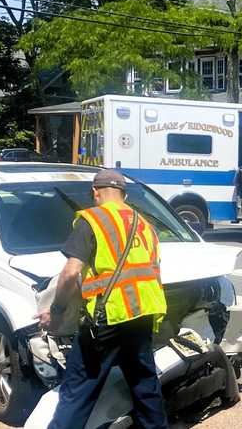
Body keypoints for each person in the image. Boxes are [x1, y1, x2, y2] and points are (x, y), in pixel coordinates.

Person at [35, 170, 168, 429]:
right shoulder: (144, 223)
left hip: (106, 319)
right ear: (124, 195)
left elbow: (71, 272)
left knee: (78, 391)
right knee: (145, 386)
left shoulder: (92, 219)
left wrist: (57, 310)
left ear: (95, 193)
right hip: (142, 313)